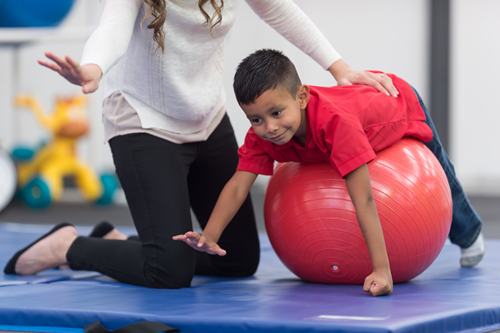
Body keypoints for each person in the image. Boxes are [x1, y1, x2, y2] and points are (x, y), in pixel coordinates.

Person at [3, 0, 399, 289]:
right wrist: (92, 67)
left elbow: (279, 8)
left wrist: (340, 67)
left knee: (236, 259)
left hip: (207, 118)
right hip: (143, 121)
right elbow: (112, 27)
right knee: (168, 272)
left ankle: (125, 244)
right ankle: (69, 246)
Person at [173, 49, 486, 297]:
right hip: (357, 108)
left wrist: (382, 271)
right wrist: (209, 236)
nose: (269, 128)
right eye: (255, 119)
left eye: (277, 113)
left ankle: (469, 232)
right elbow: (238, 186)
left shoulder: (336, 125)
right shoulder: (263, 137)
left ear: (302, 97)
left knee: (441, 169)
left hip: (397, 100)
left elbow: (363, 199)